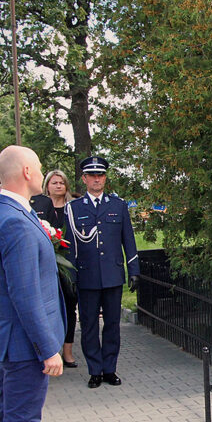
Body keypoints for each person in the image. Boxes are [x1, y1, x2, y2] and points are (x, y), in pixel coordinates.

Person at [0, 145, 79, 422]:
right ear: (25, 171)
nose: (42, 173)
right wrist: (49, 349)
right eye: (38, 167)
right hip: (25, 345)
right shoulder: (16, 222)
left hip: (14, 340)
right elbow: (25, 295)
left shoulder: (5, 212)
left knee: (10, 420)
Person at [62, 156, 139, 389]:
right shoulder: (73, 209)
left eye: (101, 175)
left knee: (113, 325)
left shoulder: (118, 205)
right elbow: (70, 245)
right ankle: (94, 370)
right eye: (92, 175)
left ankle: (109, 369)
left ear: (105, 178)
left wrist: (133, 269)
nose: (97, 179)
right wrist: (71, 277)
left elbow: (129, 241)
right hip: (87, 276)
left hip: (113, 275)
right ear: (84, 179)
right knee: (89, 326)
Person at [30, 169, 79, 368]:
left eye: (61, 182)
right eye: (54, 182)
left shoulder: (73, 206)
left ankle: (67, 350)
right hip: (46, 265)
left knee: (69, 307)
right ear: (47, 185)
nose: (58, 186)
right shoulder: (38, 204)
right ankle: (49, 350)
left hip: (68, 265)